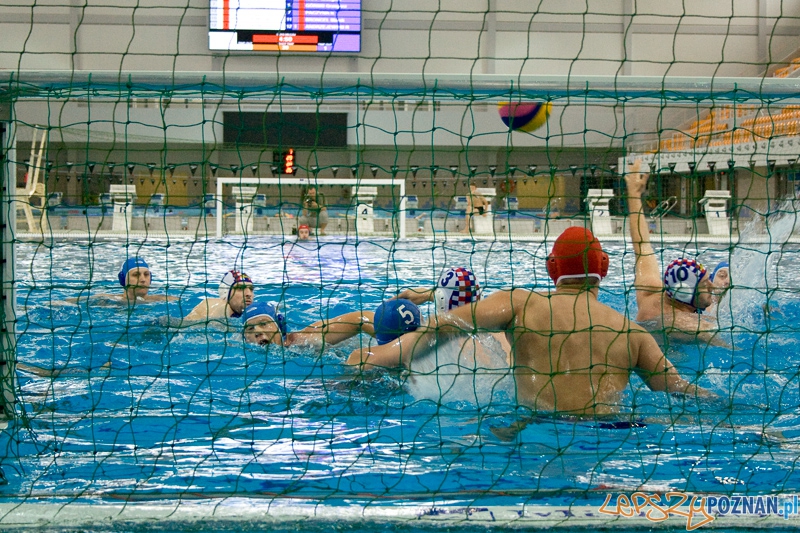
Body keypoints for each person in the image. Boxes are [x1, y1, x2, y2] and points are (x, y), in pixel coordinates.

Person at [347, 227, 712, 417]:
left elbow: (448, 324)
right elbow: (679, 390)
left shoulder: (521, 304)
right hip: (610, 432)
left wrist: (404, 362)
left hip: (534, 429)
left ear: (551, 268)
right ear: (604, 268)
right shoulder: (631, 332)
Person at [625, 162, 726, 345]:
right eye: (704, 284)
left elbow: (642, 246)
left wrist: (634, 195)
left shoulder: (649, 294)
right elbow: (730, 350)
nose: (711, 286)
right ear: (684, 292)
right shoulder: (691, 326)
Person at [243, 298, 420, 348]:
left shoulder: (303, 340)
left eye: (264, 323)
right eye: (250, 329)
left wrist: (391, 340)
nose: (257, 331)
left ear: (280, 326)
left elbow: (360, 319)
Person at [66, 257, 176, 305]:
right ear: (123, 280)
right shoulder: (107, 299)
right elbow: (69, 302)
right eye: (136, 275)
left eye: (146, 275)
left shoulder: (164, 300)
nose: (143, 279)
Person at [184, 270, 254, 322]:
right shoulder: (218, 305)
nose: (249, 294)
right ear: (225, 292)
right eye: (240, 288)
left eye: (251, 289)